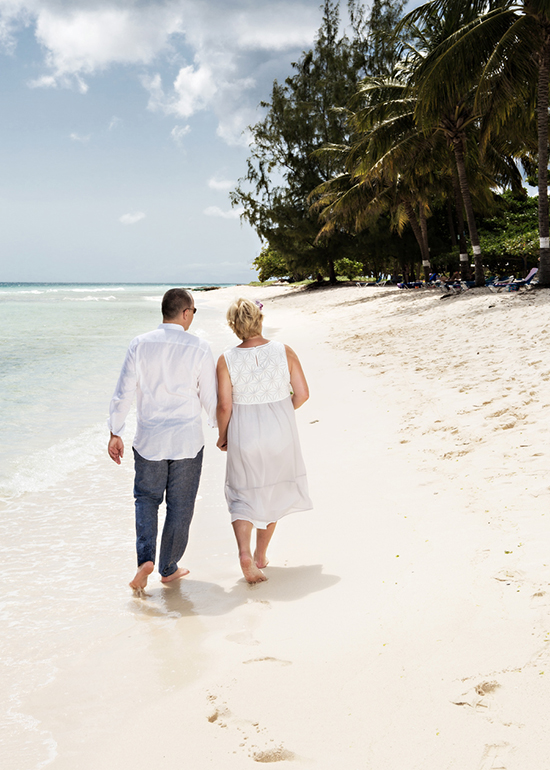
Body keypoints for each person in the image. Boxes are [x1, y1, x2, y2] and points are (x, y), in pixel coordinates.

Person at [107, 288, 217, 592]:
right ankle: (168, 568)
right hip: (187, 440)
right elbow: (210, 396)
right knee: (180, 506)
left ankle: (145, 560)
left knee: (146, 499)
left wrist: (115, 431)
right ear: (185, 312)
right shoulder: (199, 347)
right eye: (193, 312)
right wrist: (224, 430)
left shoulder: (140, 345)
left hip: (150, 439)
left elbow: (123, 392)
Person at [216, 298, 312, 583]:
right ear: (260, 319)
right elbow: (303, 394)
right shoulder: (284, 351)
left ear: (234, 326)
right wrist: (280, 411)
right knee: (271, 491)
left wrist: (223, 436)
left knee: (241, 493)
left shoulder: (226, 359)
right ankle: (260, 556)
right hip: (279, 433)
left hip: (243, 433)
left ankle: (244, 553)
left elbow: (224, 406)